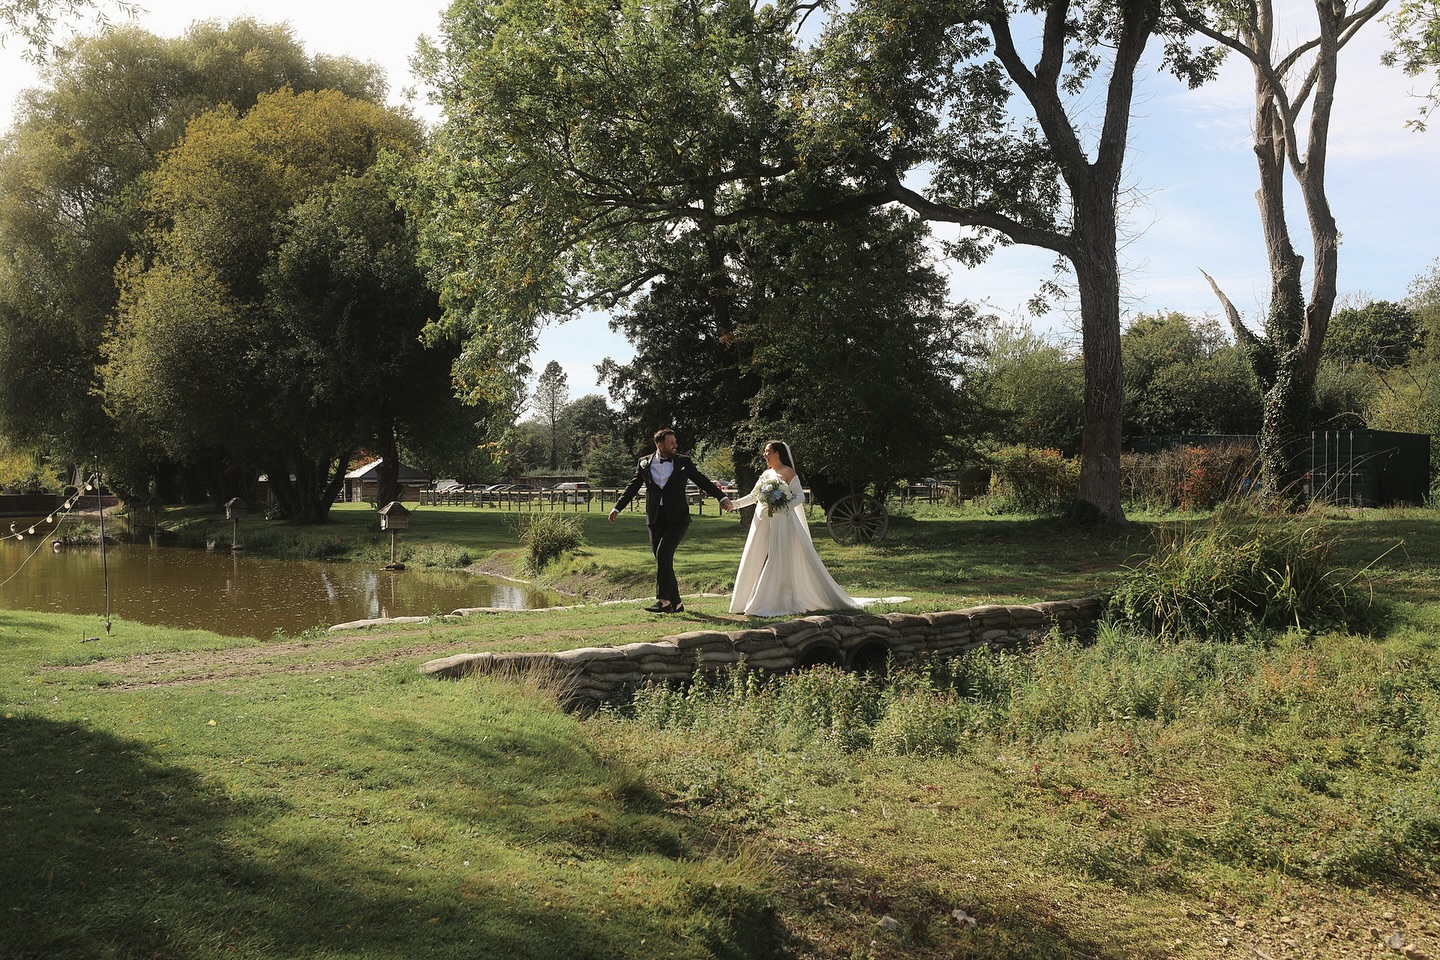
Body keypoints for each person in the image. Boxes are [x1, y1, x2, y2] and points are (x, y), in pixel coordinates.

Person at [728, 440, 863, 617]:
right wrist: (734, 504)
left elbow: (799, 496)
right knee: (756, 554)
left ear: (777, 453)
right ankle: (749, 599)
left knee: (777, 555)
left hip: (782, 521)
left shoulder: (788, 472)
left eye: (768, 451)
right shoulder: (766, 473)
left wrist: (781, 505)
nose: (764, 454)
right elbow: (754, 496)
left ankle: (773, 600)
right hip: (763, 520)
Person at [610, 428, 733, 613]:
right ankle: (677, 604)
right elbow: (633, 486)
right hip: (654, 518)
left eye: (675, 442)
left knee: (663, 555)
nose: (676, 445)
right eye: (671, 443)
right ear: (660, 445)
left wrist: (721, 497)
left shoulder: (683, 462)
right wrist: (617, 508)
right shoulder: (644, 462)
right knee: (663, 560)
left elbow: (701, 480)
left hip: (678, 518)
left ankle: (663, 601)